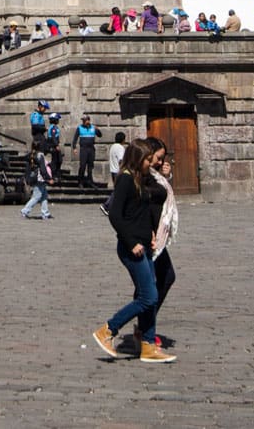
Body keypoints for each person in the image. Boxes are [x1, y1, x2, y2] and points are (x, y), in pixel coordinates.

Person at [92, 142, 175, 362]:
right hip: (132, 248)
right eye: (148, 160)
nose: (152, 164)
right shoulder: (127, 179)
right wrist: (131, 242)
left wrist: (152, 233)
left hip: (145, 243)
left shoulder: (142, 179)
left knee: (148, 295)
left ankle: (148, 345)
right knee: (149, 296)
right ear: (138, 159)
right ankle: (108, 330)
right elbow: (115, 215)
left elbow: (158, 196)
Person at [144, 137, 179, 351]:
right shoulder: (143, 175)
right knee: (153, 283)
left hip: (157, 235)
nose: (160, 162)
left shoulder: (154, 176)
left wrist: (165, 177)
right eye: (158, 158)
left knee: (160, 280)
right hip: (149, 238)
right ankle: (139, 331)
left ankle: (145, 328)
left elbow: (160, 197)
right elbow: (143, 203)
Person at [20, 139, 53, 220]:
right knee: (36, 196)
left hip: (34, 177)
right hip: (39, 178)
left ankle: (45, 213)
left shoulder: (31, 155)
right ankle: (25, 211)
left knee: (44, 196)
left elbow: (25, 159)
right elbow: (43, 169)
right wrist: (49, 178)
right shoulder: (40, 155)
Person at [102, 130, 126, 215]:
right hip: (118, 171)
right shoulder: (120, 148)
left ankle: (114, 207)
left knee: (118, 190)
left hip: (113, 171)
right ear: (123, 139)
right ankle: (106, 205)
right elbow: (121, 160)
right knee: (118, 191)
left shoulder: (113, 147)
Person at [73, 115, 99, 187]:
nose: (84, 122)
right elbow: (75, 138)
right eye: (83, 120)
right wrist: (74, 148)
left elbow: (100, 135)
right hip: (83, 149)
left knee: (90, 166)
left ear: (88, 120)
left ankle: (90, 181)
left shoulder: (93, 128)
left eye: (85, 120)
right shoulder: (79, 128)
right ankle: (80, 181)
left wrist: (98, 130)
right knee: (82, 165)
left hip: (91, 149)